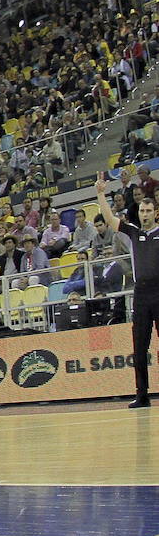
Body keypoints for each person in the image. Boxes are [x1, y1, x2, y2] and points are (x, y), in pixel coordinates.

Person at [95, 173, 159, 408]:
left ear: (156, 213)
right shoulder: (134, 233)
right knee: (139, 346)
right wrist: (100, 193)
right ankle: (142, 395)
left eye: (149, 211)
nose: (144, 215)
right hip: (141, 295)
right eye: (142, 211)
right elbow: (111, 220)